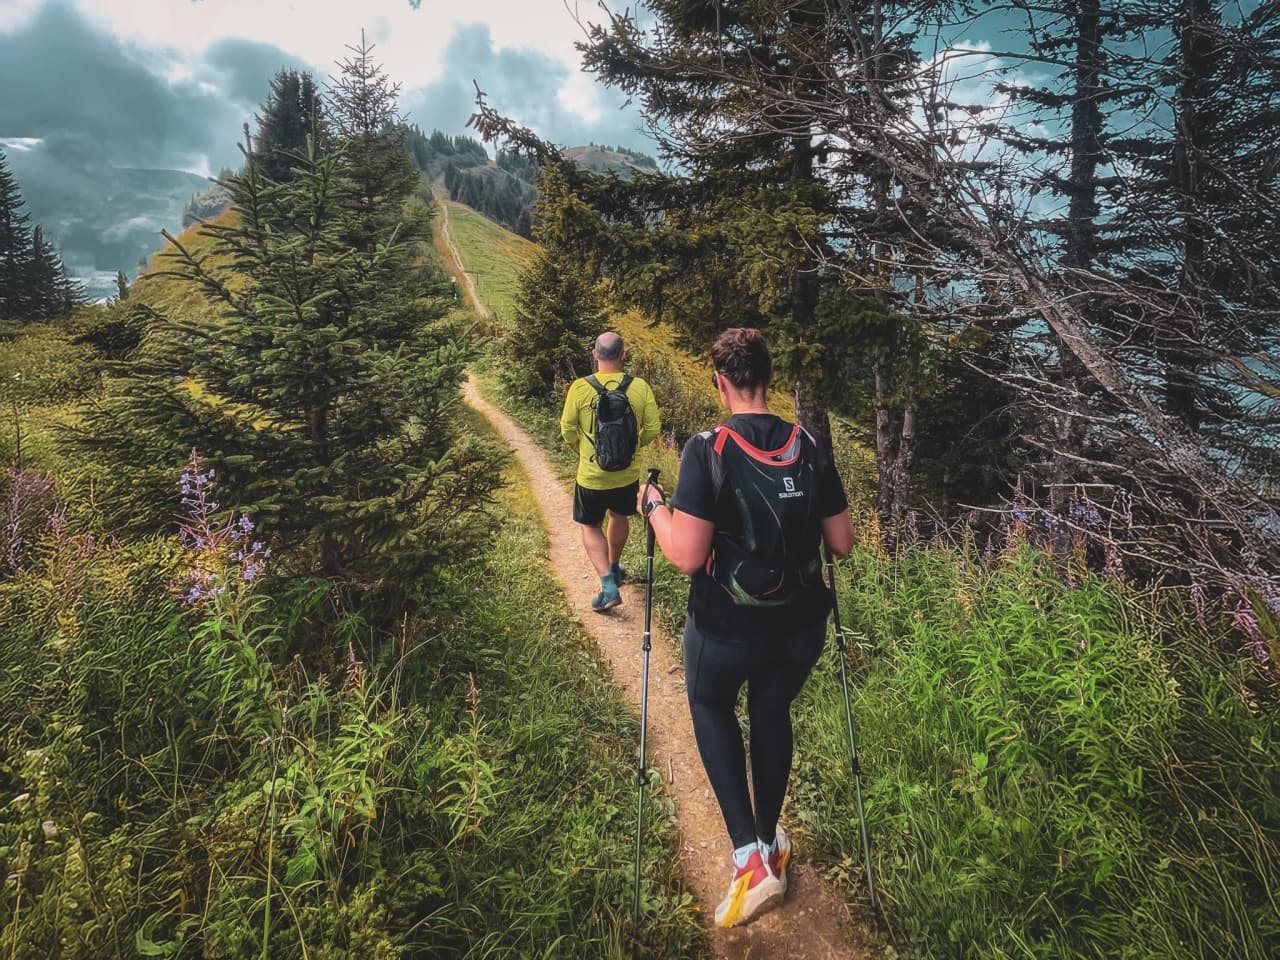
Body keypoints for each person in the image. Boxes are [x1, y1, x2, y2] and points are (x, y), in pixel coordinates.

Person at [638, 327, 853, 927]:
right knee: (771, 711)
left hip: (727, 627)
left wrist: (655, 507)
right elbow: (843, 541)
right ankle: (771, 841)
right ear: (767, 377)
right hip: (802, 627)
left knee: (709, 705)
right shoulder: (807, 443)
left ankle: (748, 858)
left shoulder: (707, 449)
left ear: (721, 381)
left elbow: (685, 554)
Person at [561, 331, 661, 612]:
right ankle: (615, 567)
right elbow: (653, 429)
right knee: (619, 516)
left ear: (595, 354)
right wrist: (632, 447)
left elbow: (567, 430)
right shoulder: (639, 387)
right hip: (627, 475)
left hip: (591, 476)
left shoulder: (580, 388)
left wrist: (582, 451)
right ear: (623, 355)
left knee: (590, 525)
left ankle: (607, 584)